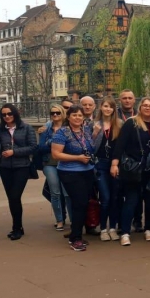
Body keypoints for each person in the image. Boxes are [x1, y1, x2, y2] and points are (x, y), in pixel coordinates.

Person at [112, 97, 150, 246]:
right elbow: (120, 144)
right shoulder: (131, 123)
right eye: (145, 105)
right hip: (133, 168)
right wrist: (115, 164)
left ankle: (148, 229)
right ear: (140, 107)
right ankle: (125, 232)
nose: (148, 108)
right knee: (131, 199)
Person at [51, 105, 96, 252]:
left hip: (87, 171)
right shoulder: (62, 132)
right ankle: (75, 238)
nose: (77, 118)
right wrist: (77, 158)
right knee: (79, 203)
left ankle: (77, 234)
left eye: (80, 115)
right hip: (69, 172)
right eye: (74, 115)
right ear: (68, 117)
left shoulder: (86, 130)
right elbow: (56, 154)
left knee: (83, 204)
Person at [0, 103, 37, 240]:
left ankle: (16, 228)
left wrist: (14, 152)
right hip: (5, 167)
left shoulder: (26, 128)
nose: (7, 116)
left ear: (15, 114)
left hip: (22, 166)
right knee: (12, 198)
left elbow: (33, 147)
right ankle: (18, 227)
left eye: (9, 113)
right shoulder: (0, 130)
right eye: (4, 114)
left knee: (15, 196)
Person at [93, 97, 123, 241]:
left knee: (115, 198)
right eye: (105, 106)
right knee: (105, 198)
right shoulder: (94, 124)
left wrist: (116, 164)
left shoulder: (119, 124)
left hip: (115, 164)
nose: (108, 109)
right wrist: (94, 133)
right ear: (101, 107)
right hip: (100, 164)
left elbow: (121, 146)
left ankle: (113, 227)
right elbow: (89, 147)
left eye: (111, 107)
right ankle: (103, 228)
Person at [39, 105, 72, 230]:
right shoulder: (46, 129)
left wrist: (55, 143)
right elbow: (41, 148)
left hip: (66, 163)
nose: (55, 115)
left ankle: (73, 220)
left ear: (62, 113)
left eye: (58, 113)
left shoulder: (68, 128)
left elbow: (71, 146)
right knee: (55, 192)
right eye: (52, 113)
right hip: (50, 163)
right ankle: (59, 220)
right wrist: (52, 141)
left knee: (67, 193)